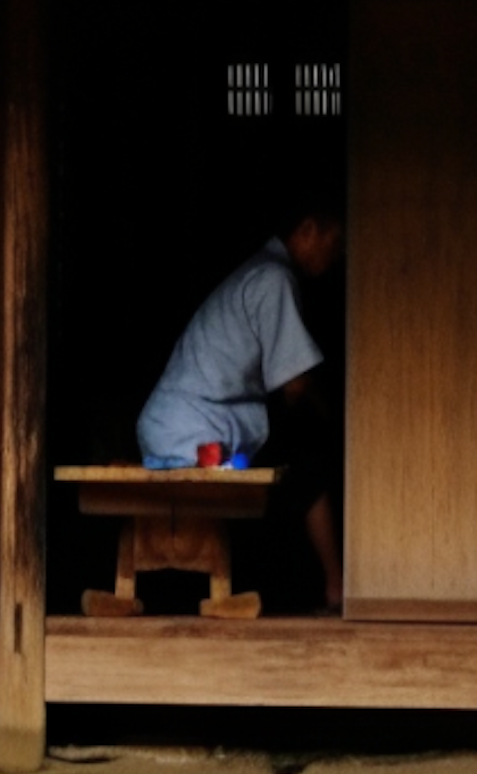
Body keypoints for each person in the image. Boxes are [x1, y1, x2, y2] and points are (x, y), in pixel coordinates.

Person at [136, 200, 345, 610]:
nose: (337, 256)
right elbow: (295, 385)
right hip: (191, 429)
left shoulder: (263, 273)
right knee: (304, 467)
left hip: (178, 422)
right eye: (335, 242)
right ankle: (334, 586)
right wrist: (333, 412)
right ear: (308, 230)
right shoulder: (273, 278)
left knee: (291, 469)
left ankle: (303, 588)